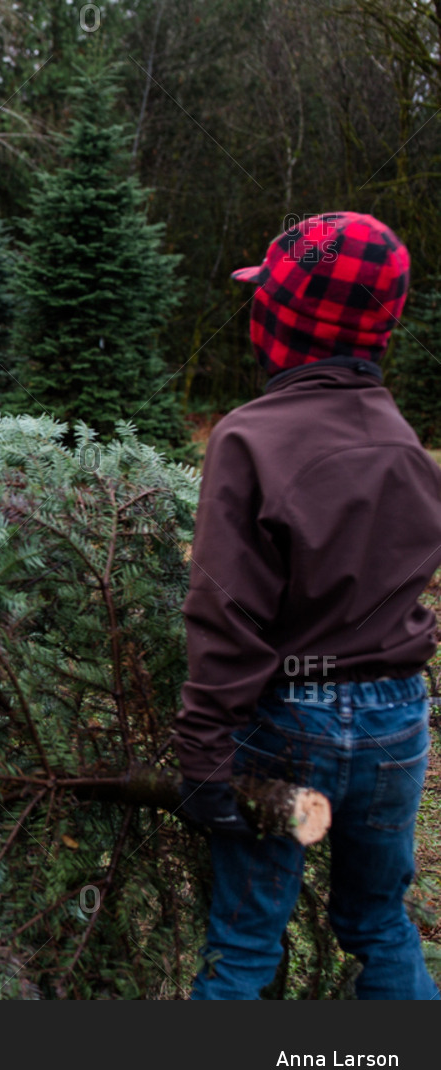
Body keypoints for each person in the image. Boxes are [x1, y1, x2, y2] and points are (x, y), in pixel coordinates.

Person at [174, 212, 441, 999]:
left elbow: (225, 611)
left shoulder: (249, 438)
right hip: (397, 720)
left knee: (246, 940)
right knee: (380, 924)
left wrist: (202, 755)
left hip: (293, 723)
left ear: (280, 322)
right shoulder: (403, 444)